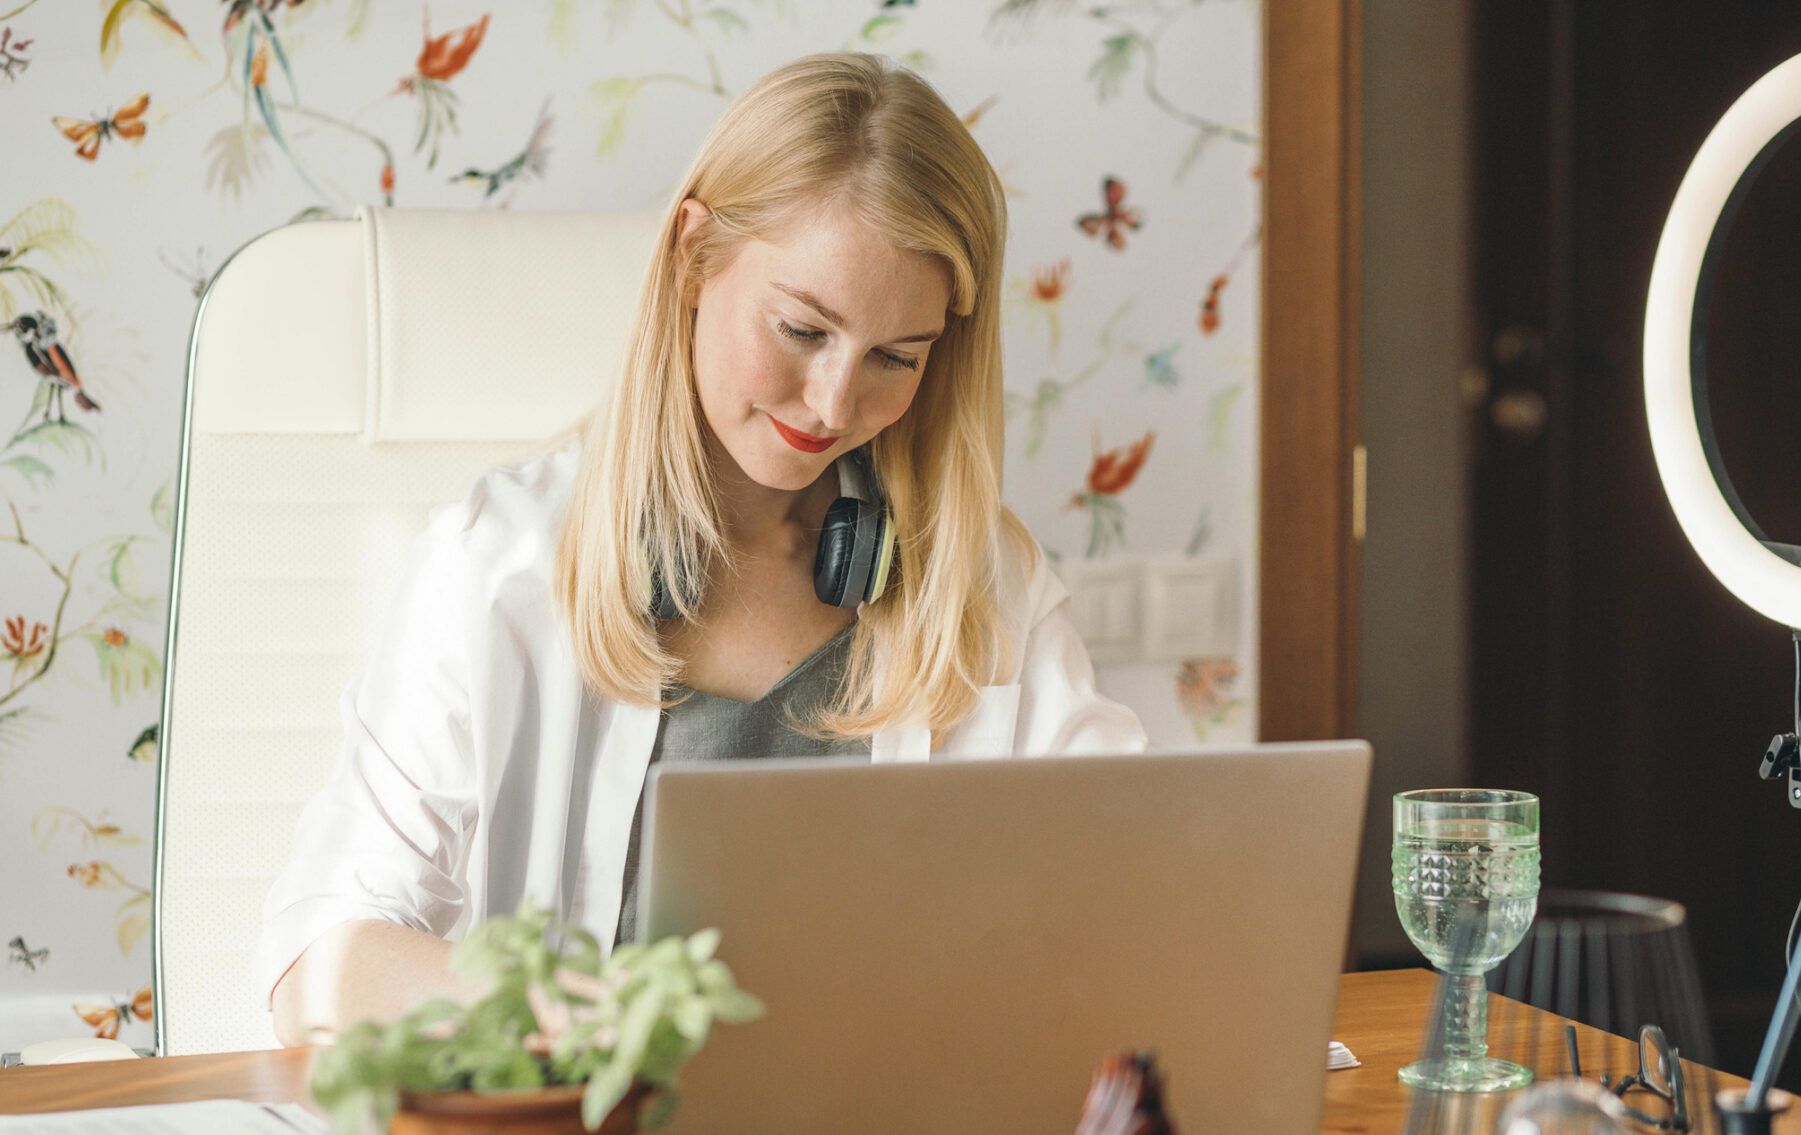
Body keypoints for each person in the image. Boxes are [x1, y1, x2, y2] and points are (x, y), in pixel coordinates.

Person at [260, 52, 1147, 1047]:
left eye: (897, 356)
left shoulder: (982, 583)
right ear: (691, 257)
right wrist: (585, 1013)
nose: (833, 401)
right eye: (803, 328)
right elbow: (319, 965)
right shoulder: (498, 564)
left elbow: (1128, 883)